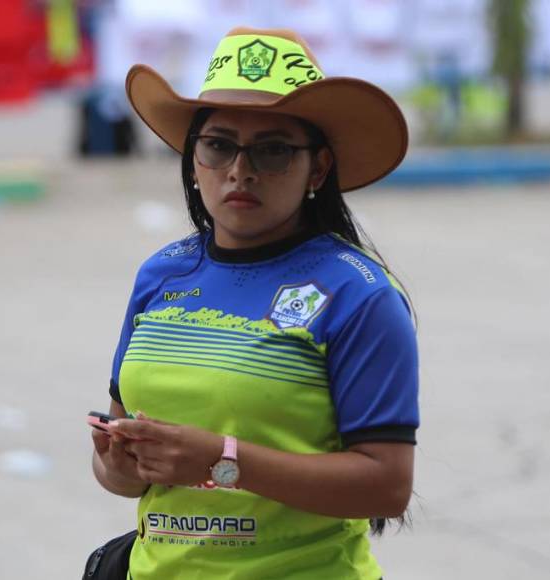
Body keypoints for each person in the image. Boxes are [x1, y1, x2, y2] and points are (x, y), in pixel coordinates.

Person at [91, 26, 419, 579]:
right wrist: (118, 465)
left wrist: (222, 462)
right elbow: (126, 474)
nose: (240, 169)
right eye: (219, 144)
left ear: (317, 168)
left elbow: (387, 486)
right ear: (193, 160)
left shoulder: (359, 294)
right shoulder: (161, 274)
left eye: (272, 150)